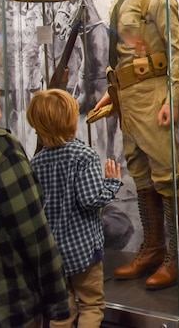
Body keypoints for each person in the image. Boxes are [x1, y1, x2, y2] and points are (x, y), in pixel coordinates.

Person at [88, 0, 179, 290]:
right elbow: (120, 57)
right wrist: (112, 95)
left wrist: (173, 98)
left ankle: (178, 257)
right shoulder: (121, 2)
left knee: (166, 175)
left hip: (152, 98)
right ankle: (152, 248)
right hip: (128, 99)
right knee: (141, 173)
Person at [28, 88, 123, 327]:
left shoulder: (37, 161)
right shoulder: (84, 156)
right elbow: (90, 200)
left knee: (63, 308)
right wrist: (111, 183)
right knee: (91, 304)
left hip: (54, 253)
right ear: (71, 120)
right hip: (83, 251)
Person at [0, 74, 71, 326]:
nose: (0, 111)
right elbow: (34, 235)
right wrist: (57, 303)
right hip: (7, 307)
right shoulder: (0, 149)